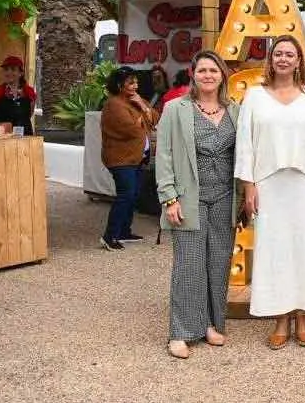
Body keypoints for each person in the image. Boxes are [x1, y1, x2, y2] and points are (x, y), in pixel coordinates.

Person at [235, 35, 305, 349]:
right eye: (278, 53)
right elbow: (245, 143)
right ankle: (279, 318)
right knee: (274, 250)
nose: (284, 59)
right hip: (268, 184)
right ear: (271, 59)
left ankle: (303, 317)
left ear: (298, 60)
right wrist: (248, 184)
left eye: (290, 54)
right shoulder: (254, 96)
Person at [155, 51, 239, 359]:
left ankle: (211, 324)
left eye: (213, 70)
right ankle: (181, 332)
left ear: (222, 75)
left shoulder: (235, 110)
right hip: (189, 197)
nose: (207, 75)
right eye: (202, 70)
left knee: (218, 263)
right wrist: (169, 197)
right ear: (193, 74)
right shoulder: (175, 109)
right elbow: (163, 155)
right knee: (189, 265)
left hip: (225, 198)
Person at [100, 66, 159, 250]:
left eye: (136, 82)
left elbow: (155, 117)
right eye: (130, 82)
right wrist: (143, 116)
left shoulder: (136, 100)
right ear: (119, 84)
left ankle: (124, 231)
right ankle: (109, 236)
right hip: (121, 159)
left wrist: (142, 107)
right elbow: (130, 130)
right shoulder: (114, 104)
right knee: (125, 194)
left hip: (137, 158)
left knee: (132, 195)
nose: (135, 86)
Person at [0, 55, 36, 136]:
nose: (9, 72)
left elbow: (29, 114)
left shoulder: (29, 92)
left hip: (26, 137)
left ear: (21, 73)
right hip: (2, 139)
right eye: (6, 70)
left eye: (13, 69)